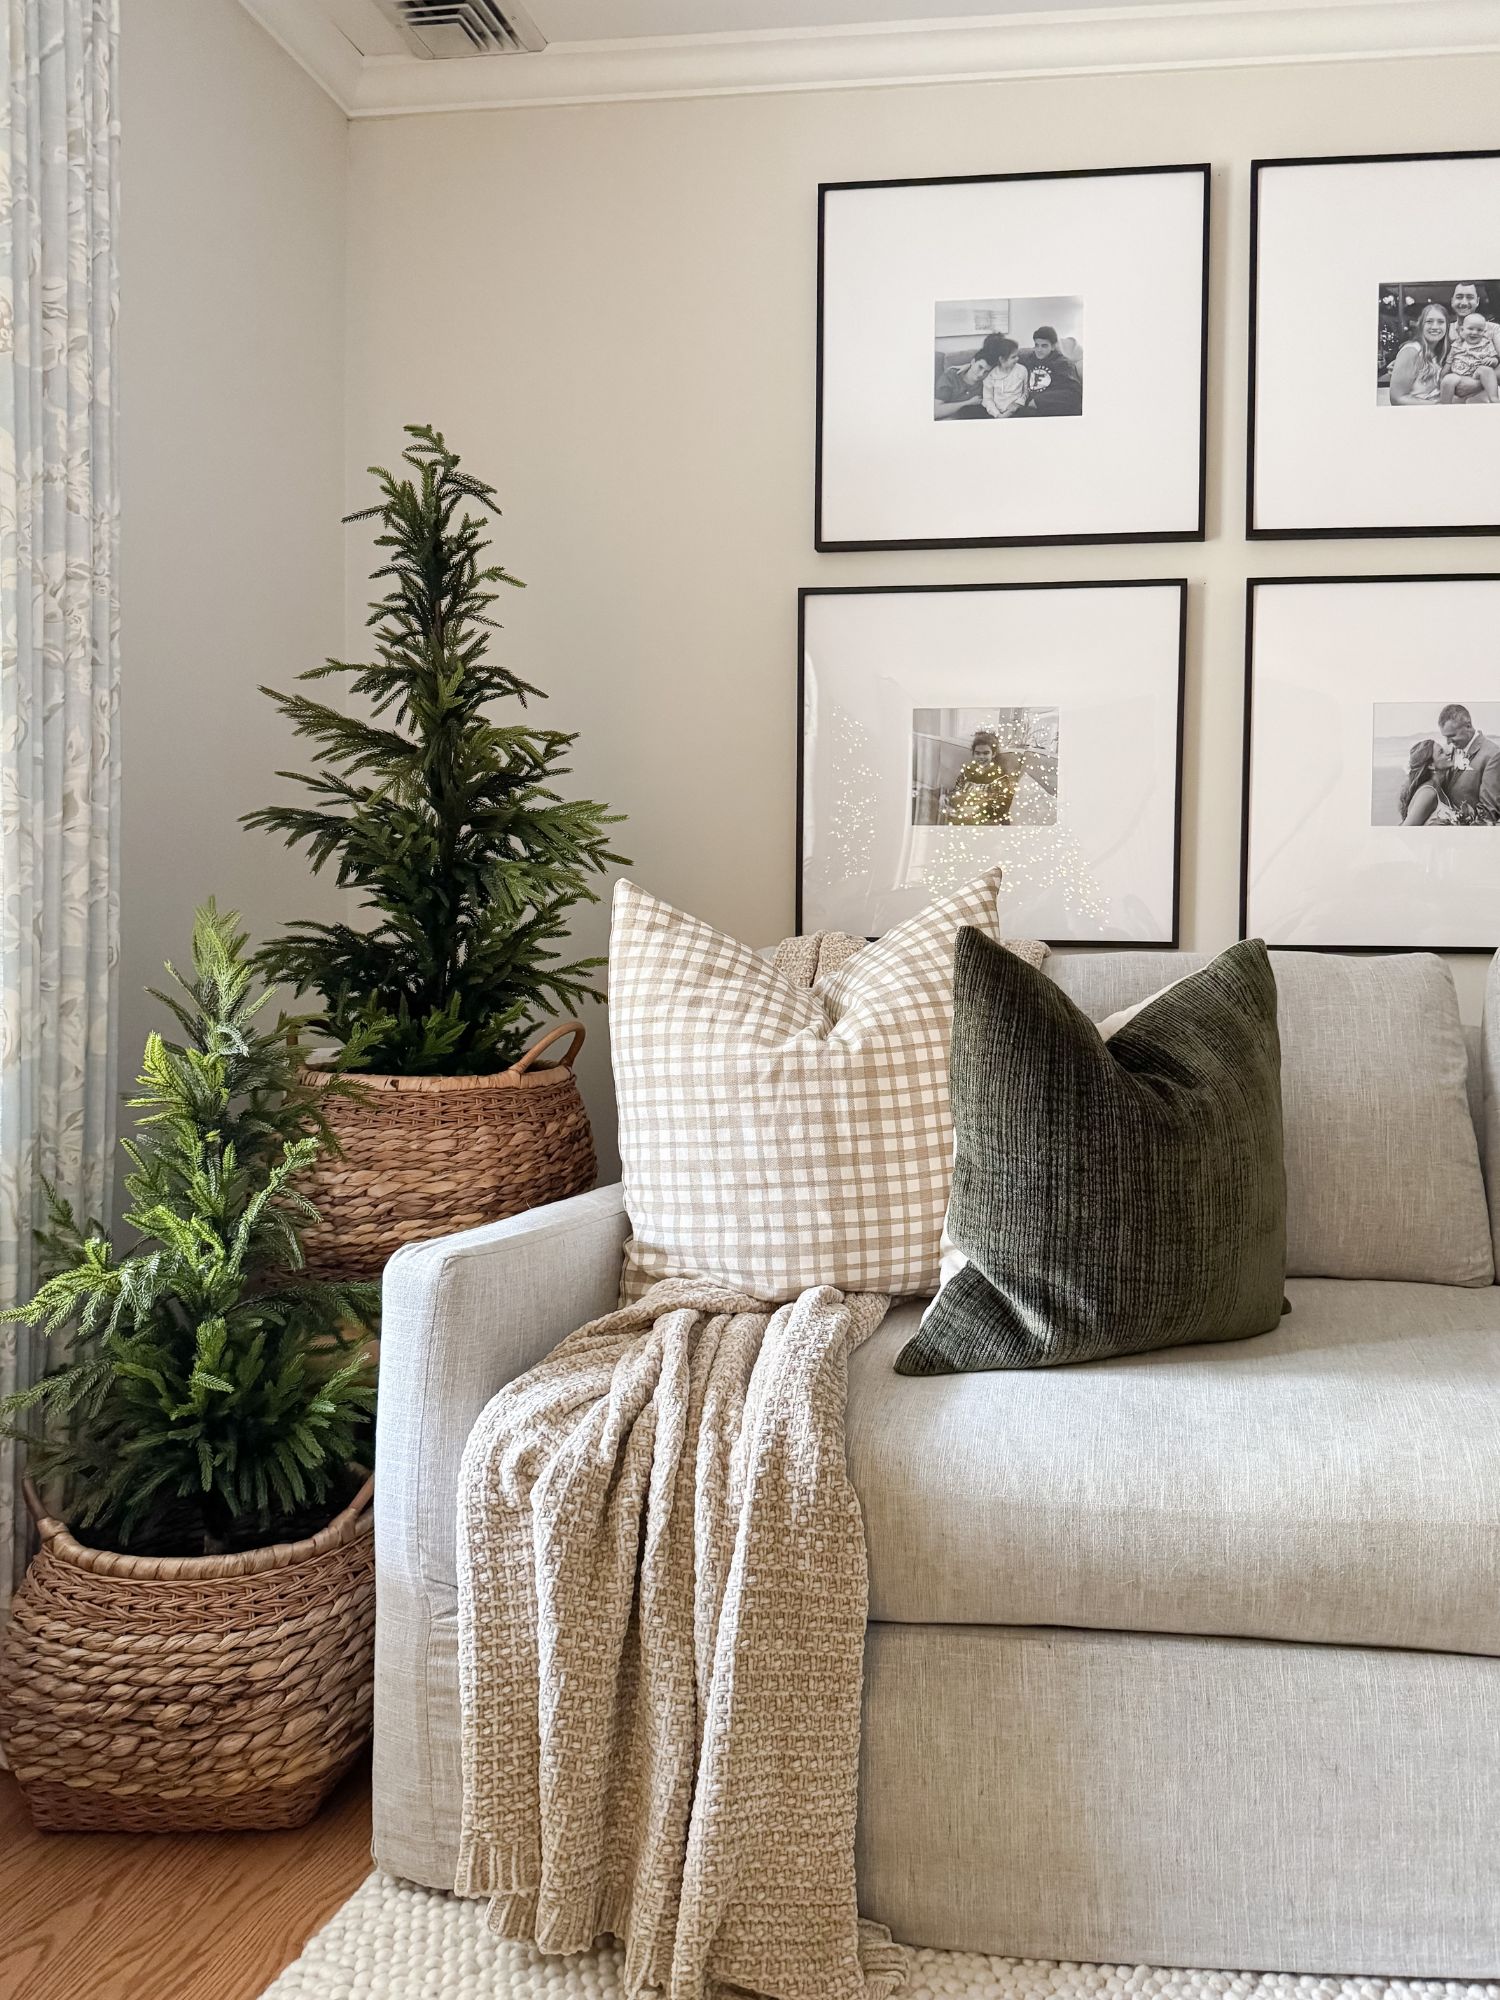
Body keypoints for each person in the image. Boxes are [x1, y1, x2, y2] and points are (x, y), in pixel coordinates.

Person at [1401, 704, 1500, 824]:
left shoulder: (1492, 755)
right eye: (1445, 737)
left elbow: (1488, 814)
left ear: (1468, 726)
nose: (1448, 743)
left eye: (1452, 736)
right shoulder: (1451, 751)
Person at [942, 731, 1018, 825]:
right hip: (964, 814)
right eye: (977, 753)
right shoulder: (967, 772)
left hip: (988, 819)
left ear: (993, 754)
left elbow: (1003, 806)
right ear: (973, 754)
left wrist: (976, 809)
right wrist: (947, 800)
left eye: (986, 753)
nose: (981, 757)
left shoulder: (1001, 777)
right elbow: (957, 792)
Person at [1388, 300, 1450, 406]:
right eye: (1429, 321)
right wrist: (1437, 406)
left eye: (1440, 322)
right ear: (1421, 325)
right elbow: (1397, 399)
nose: (1435, 327)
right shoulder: (1411, 351)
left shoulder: (1441, 352)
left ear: (1447, 326)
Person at [934, 332, 1005, 418]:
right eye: (980, 367)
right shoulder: (951, 376)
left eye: (986, 371)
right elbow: (936, 411)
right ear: (973, 361)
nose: (981, 374)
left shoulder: (990, 380)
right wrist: (968, 403)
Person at [1015, 326, 1082, 417]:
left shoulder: (1063, 364)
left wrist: (1039, 401)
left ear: (1053, 346)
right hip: (1027, 405)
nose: (1039, 350)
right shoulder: (1029, 358)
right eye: (1036, 345)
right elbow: (1009, 356)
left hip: (1050, 407)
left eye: (1044, 346)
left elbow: (1074, 393)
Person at [1442, 312, 1500, 404]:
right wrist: (1443, 375)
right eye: (1470, 329)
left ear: (1484, 332)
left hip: (1477, 376)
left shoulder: (1486, 343)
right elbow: (1448, 362)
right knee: (1448, 379)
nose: (1474, 332)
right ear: (1462, 330)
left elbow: (1495, 358)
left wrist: (1492, 360)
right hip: (1459, 376)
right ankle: (1444, 404)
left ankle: (1494, 398)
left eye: (1479, 330)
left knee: (1486, 370)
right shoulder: (1456, 345)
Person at [980, 334, 1029, 418]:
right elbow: (988, 399)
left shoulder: (1022, 370)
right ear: (1001, 359)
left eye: (1017, 355)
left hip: (1016, 410)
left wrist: (1017, 404)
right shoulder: (991, 375)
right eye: (1013, 357)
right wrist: (997, 415)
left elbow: (1026, 391)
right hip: (996, 413)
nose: (1017, 359)